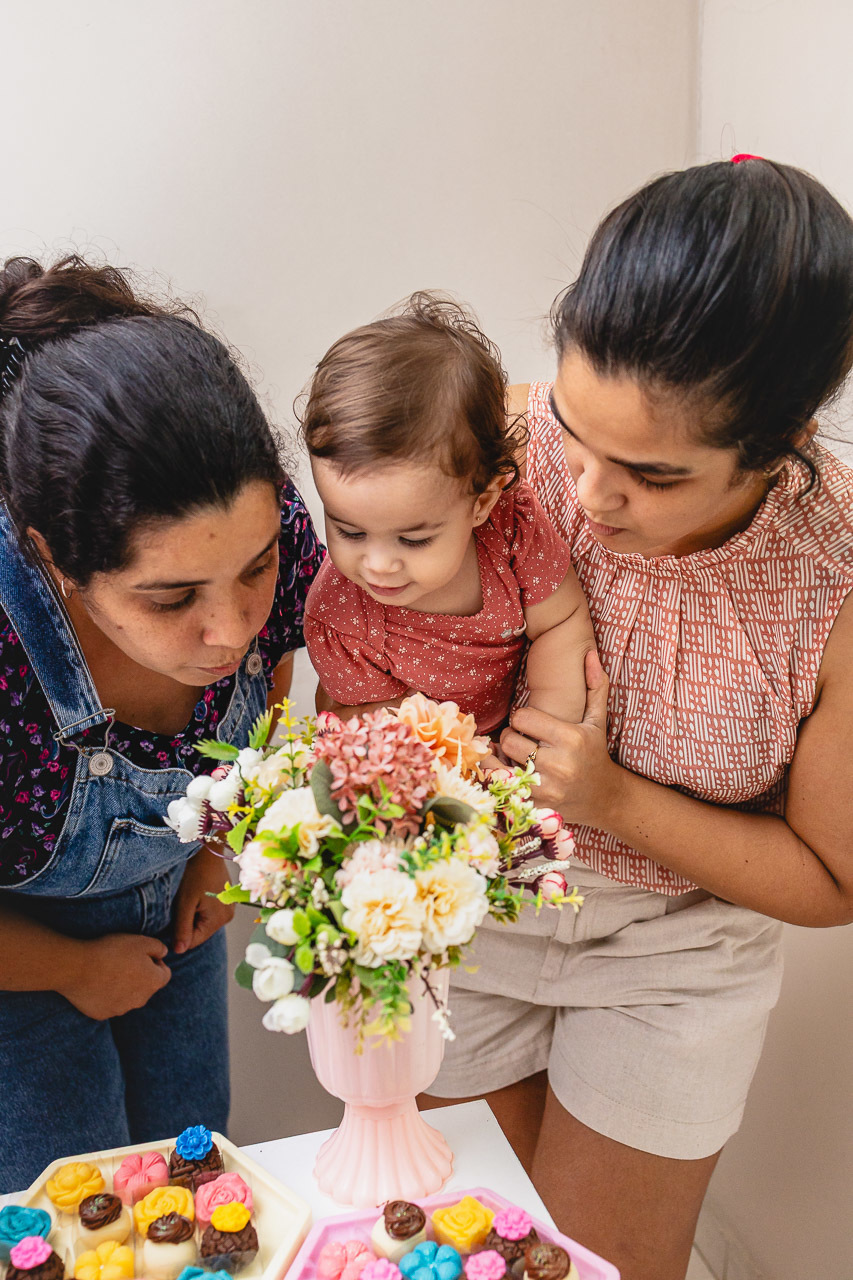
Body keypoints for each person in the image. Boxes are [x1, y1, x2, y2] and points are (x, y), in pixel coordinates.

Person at [422, 158, 853, 1280]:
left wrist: (612, 798)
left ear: (784, 436)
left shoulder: (835, 581)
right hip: (473, 911)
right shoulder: (504, 448)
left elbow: (831, 879)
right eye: (574, 428)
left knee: (591, 1269)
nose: (590, 490)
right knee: (453, 1254)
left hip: (677, 953)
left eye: (653, 473)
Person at [0, 256, 323, 1192]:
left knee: (196, 1171)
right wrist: (68, 968)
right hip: (20, 949)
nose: (230, 633)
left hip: (177, 906)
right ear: (54, 560)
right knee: (75, 1199)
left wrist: (219, 848)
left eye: (254, 572)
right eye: (172, 596)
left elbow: (270, 680)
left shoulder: (262, 527)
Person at [301, 293, 595, 738]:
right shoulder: (340, 616)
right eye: (349, 531)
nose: (378, 565)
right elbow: (369, 726)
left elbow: (560, 623)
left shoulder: (512, 530)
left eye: (414, 539)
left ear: (481, 503)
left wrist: (540, 738)